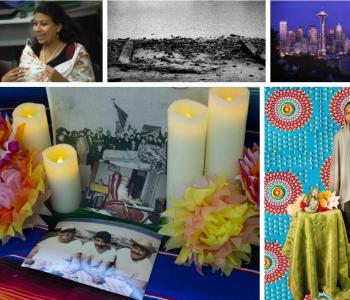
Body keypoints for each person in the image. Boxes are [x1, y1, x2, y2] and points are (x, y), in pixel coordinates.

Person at [1, 2, 95, 82]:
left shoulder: (76, 53)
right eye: (35, 24)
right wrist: (4, 82)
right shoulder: (29, 53)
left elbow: (88, 92)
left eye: (43, 24)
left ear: (58, 27)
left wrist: (61, 81)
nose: (37, 29)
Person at [329, 101, 350, 238]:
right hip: (347, 194)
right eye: (348, 113)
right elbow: (335, 166)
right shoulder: (339, 136)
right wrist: (332, 196)